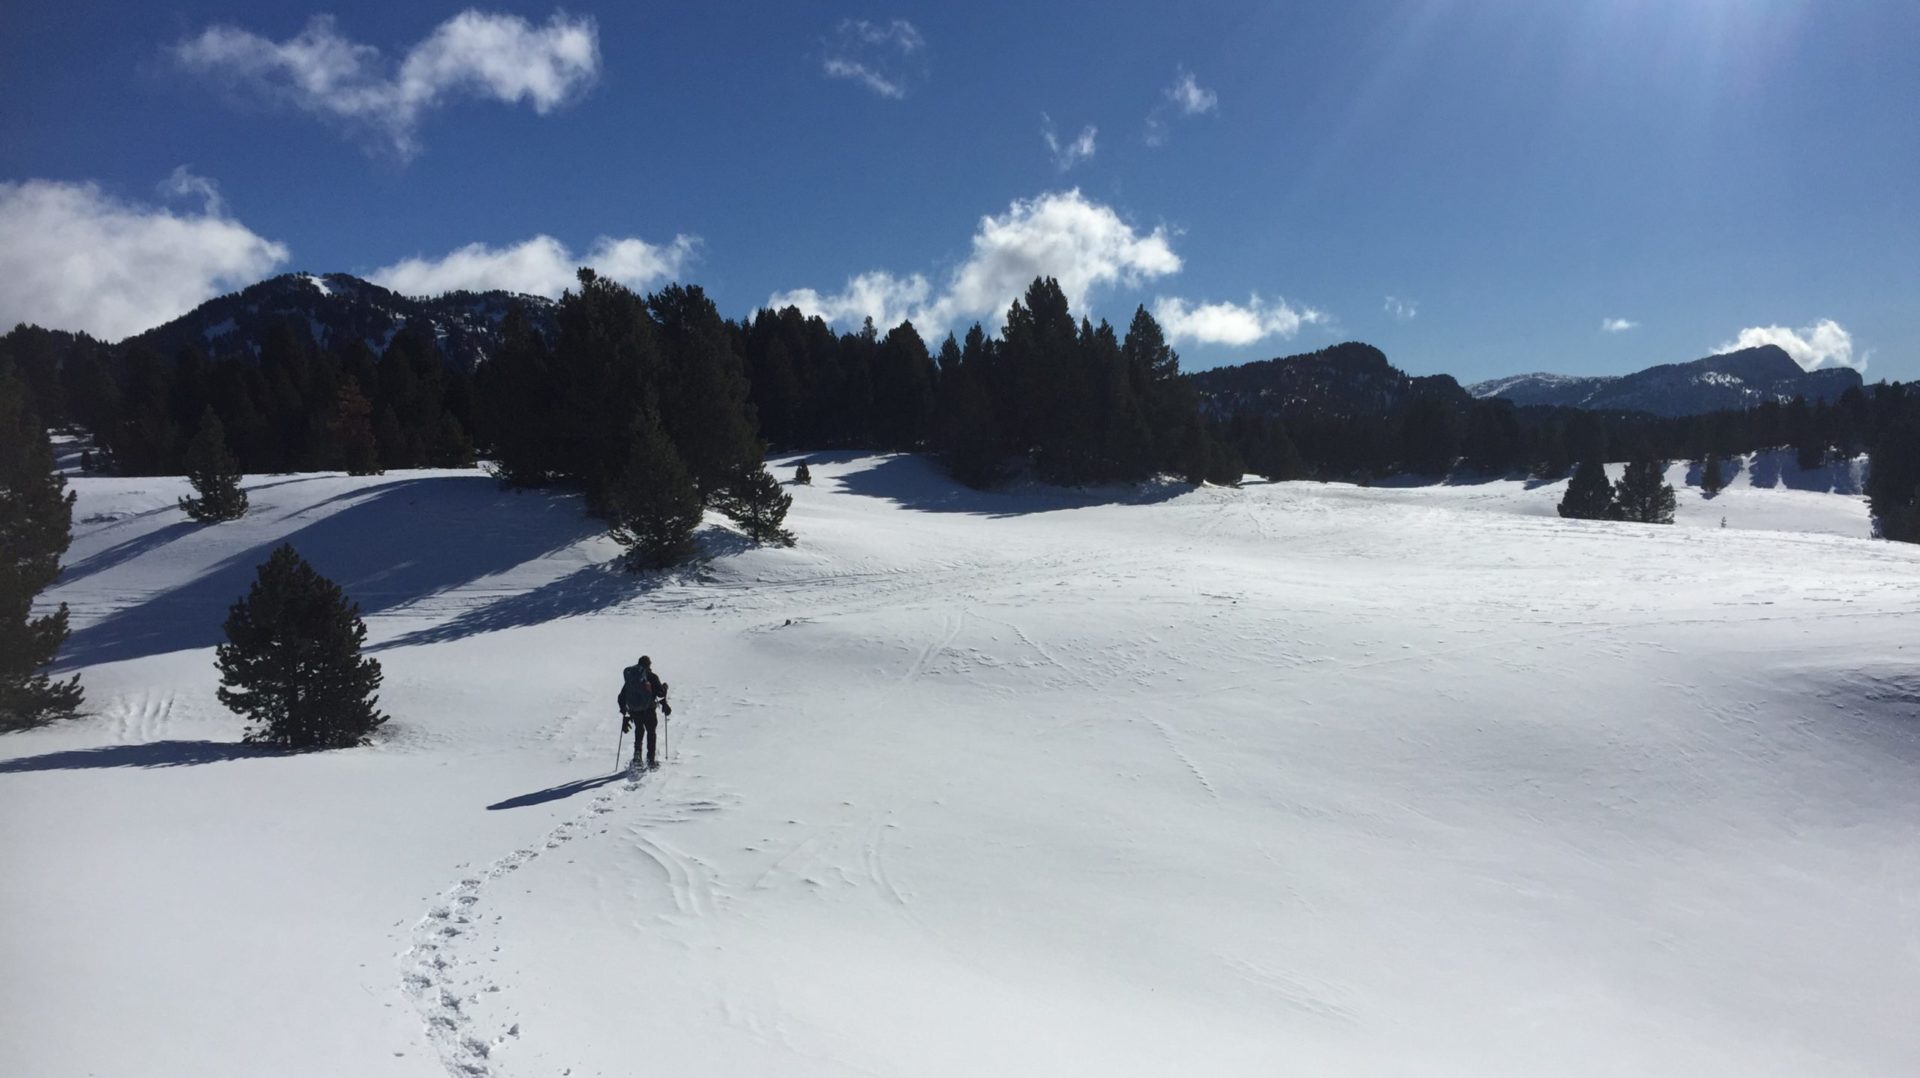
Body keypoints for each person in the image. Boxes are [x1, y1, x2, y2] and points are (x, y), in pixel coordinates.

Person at [618, 654, 671, 770]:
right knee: (651, 733)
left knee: (639, 731)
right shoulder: (651, 676)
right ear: (648, 665)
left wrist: (624, 712)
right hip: (649, 710)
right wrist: (665, 687)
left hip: (635, 711)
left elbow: (622, 696)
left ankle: (637, 756)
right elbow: (660, 693)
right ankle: (650, 760)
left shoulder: (631, 678)